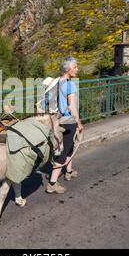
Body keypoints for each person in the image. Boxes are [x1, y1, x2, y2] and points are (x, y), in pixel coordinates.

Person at [46, 56, 84, 194]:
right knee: (63, 151)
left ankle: (69, 171)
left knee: (69, 146)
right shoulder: (70, 84)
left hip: (56, 121)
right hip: (68, 121)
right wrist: (79, 122)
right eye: (75, 67)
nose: (77, 69)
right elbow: (71, 106)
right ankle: (52, 183)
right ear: (68, 69)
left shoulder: (55, 82)